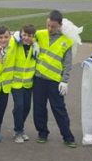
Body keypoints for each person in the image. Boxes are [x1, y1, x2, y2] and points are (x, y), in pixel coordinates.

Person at [32, 10, 77, 148]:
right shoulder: (39, 34)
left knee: (58, 109)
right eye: (48, 25)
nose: (50, 29)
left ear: (60, 25)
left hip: (55, 81)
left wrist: (65, 80)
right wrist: (34, 42)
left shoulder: (67, 41)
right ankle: (42, 133)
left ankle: (67, 136)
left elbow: (67, 64)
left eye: (53, 26)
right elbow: (20, 34)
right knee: (39, 108)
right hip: (39, 78)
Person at [9, 24, 37, 143]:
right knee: (20, 105)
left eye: (29, 35)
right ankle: (18, 131)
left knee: (26, 107)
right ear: (20, 34)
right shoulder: (16, 44)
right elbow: (3, 39)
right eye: (24, 35)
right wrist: (15, 35)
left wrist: (35, 44)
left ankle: (19, 122)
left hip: (28, 83)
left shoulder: (35, 46)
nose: (26, 37)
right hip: (16, 83)